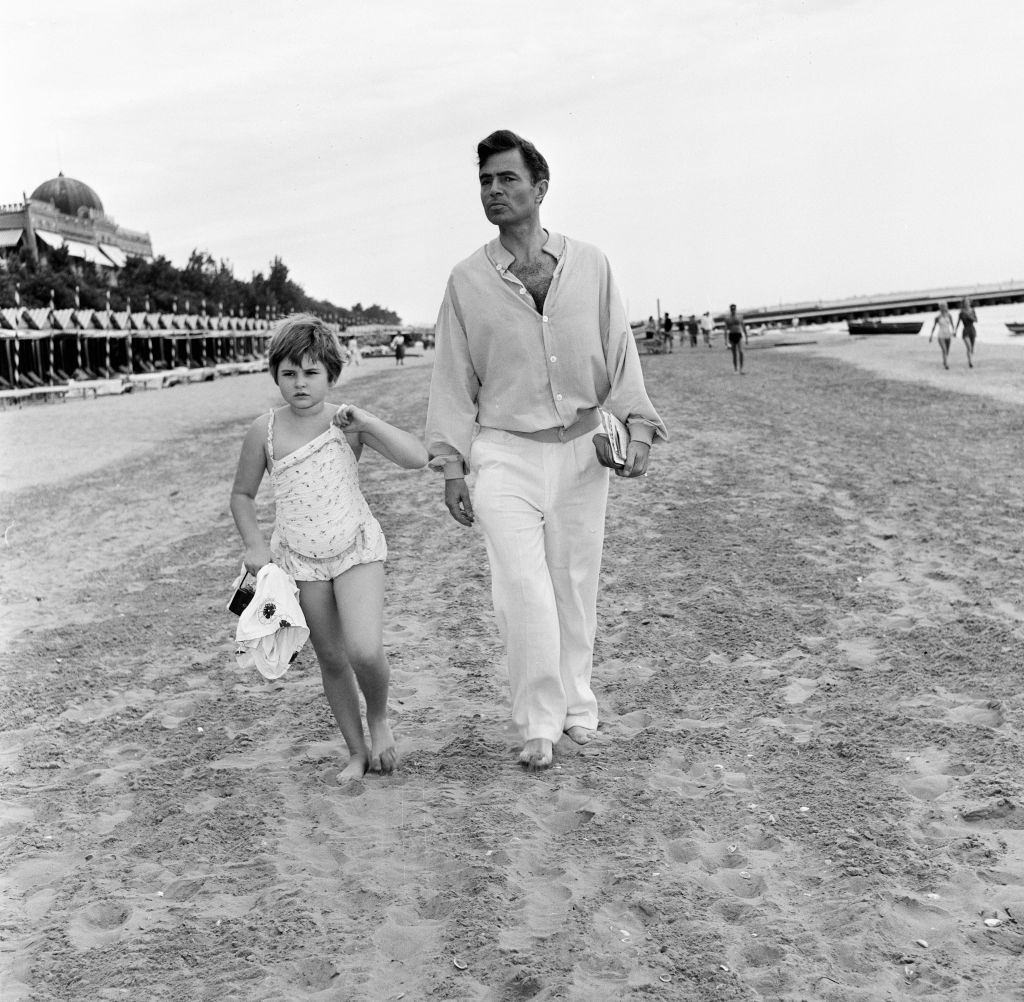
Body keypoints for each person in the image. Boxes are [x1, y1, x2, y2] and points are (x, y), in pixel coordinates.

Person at [425, 129, 667, 770]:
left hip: (584, 450)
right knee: (523, 588)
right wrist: (451, 464)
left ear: (540, 187)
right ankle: (538, 720)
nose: (494, 191)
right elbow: (453, 378)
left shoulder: (591, 265)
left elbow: (619, 350)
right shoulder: (465, 281)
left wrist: (637, 428)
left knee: (574, 583)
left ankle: (578, 705)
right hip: (503, 453)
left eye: (507, 179)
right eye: (485, 181)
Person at [230, 314, 427, 781]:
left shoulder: (347, 422)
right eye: (289, 373)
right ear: (275, 373)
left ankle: (378, 720)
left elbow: (416, 458)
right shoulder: (265, 430)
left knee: (363, 649)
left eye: (311, 372)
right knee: (332, 658)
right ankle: (356, 751)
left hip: (355, 548)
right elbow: (242, 495)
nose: (300, 383)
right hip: (300, 560)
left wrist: (368, 420)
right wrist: (255, 545)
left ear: (331, 373)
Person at [929, 301, 954, 369]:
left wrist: (954, 332)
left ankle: (944, 360)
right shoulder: (938, 317)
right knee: (944, 350)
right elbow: (934, 327)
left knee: (947, 351)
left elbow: (952, 324)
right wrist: (931, 336)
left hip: (948, 334)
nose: (944, 308)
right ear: (940, 308)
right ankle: (946, 364)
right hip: (941, 335)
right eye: (942, 307)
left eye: (945, 306)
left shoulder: (949, 315)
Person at [725, 304, 748, 373]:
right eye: (732, 309)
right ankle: (735, 368)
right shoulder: (728, 318)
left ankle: (741, 368)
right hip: (732, 335)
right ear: (730, 310)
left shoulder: (740, 317)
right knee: (734, 353)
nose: (733, 310)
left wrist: (746, 337)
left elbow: (743, 326)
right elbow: (726, 329)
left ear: (736, 309)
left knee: (741, 352)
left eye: (734, 309)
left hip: (738, 334)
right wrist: (725, 340)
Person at [955, 296, 977, 368]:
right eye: (965, 302)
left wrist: (970, 317)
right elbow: (958, 322)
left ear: (969, 303)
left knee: (972, 348)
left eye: (968, 302)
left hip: (972, 330)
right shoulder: (961, 312)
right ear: (963, 303)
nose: (967, 303)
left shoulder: (972, 310)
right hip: (965, 330)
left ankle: (971, 359)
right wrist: (955, 331)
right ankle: (970, 362)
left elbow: (976, 320)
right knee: (969, 347)